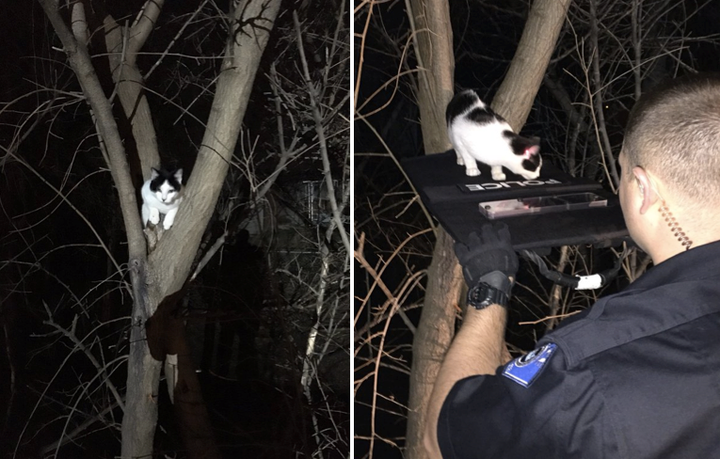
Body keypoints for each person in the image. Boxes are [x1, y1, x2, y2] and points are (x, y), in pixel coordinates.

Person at [424, 74, 720, 459]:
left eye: (622, 175)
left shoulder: (590, 371)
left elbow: (442, 435)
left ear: (643, 190)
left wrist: (490, 290)